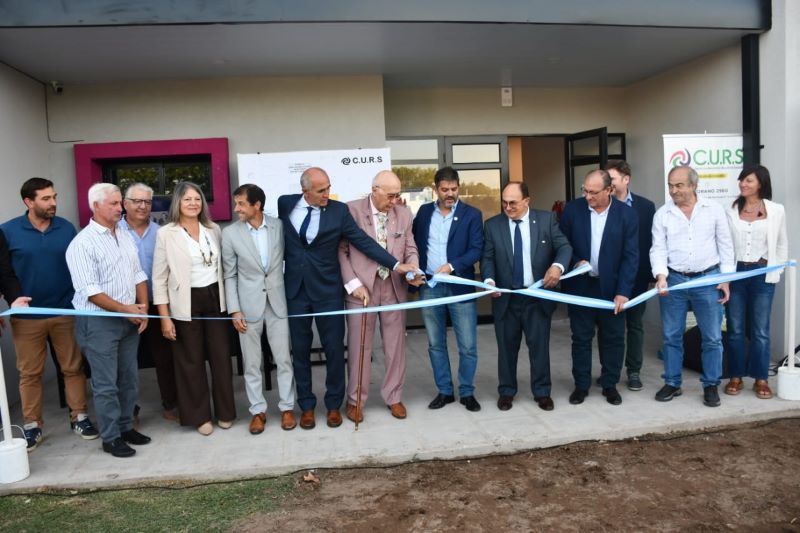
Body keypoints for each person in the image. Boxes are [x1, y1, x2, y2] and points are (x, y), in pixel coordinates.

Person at [278, 167, 418, 430]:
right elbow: (339, 250)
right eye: (321, 190)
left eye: (329, 187)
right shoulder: (286, 204)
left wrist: (400, 266)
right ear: (304, 191)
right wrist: (353, 284)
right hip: (308, 290)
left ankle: (343, 404)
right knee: (310, 350)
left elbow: (366, 243)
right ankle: (313, 406)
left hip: (355, 289)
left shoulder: (339, 210)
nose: (327, 194)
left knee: (344, 350)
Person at [2, 178, 98, 452]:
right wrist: (8, 304)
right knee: (29, 373)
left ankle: (79, 417)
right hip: (27, 316)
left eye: (53, 197)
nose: (53, 203)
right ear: (28, 202)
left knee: (72, 367)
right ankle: (32, 426)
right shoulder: (8, 231)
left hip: (65, 311)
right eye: (45, 198)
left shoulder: (66, 228)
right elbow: (3, 272)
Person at [66, 183, 151, 457]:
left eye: (119, 203)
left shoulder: (124, 235)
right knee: (105, 385)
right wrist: (126, 310)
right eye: (114, 203)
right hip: (99, 323)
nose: (120, 208)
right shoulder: (82, 243)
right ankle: (111, 437)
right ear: (96, 206)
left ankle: (126, 427)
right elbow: (90, 292)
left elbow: (138, 274)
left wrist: (143, 309)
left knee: (129, 379)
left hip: (128, 319)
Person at [152, 181, 236, 435]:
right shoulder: (166, 233)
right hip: (184, 303)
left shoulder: (213, 229)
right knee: (191, 361)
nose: (193, 203)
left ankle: (225, 412)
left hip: (215, 299)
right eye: (187, 199)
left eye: (197, 199)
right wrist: (165, 319)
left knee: (221, 358)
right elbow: (159, 279)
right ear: (177, 202)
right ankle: (200, 417)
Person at [339, 171, 422, 423]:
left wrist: (413, 271)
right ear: (374, 190)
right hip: (362, 289)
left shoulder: (404, 214)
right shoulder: (351, 211)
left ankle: (394, 397)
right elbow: (341, 251)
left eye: (399, 195)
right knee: (359, 347)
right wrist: (353, 284)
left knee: (395, 348)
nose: (395, 201)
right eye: (391, 195)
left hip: (394, 287)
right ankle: (355, 400)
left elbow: (410, 248)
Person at [481, 182, 572, 411]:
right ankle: (506, 392)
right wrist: (489, 281)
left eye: (513, 203)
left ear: (527, 201)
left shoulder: (546, 220)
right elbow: (488, 258)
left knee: (539, 348)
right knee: (506, 349)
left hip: (536, 298)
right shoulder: (493, 225)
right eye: (504, 202)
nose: (507, 207)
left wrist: (557, 267)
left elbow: (564, 247)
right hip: (506, 299)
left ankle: (542, 392)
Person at [650, 165, 734, 407]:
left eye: (679, 185)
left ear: (694, 185)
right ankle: (673, 383)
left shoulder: (714, 210)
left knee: (712, 337)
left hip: (708, 280)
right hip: (674, 281)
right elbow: (658, 248)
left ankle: (711, 385)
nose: (673, 191)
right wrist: (661, 275)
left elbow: (726, 246)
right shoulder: (662, 214)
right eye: (670, 185)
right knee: (671, 336)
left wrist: (726, 279)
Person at [559, 169, 639, 406]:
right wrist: (575, 261)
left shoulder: (626, 215)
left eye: (593, 192)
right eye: (585, 190)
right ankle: (581, 386)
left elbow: (630, 256)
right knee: (581, 338)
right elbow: (562, 243)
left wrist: (623, 291)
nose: (587, 196)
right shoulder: (573, 210)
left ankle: (610, 384)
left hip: (612, 289)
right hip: (581, 287)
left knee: (613, 338)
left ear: (609, 190)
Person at [222, 184, 297, 434]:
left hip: (278, 304)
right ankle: (258, 411)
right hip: (247, 307)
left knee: (284, 359)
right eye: (236, 203)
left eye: (241, 203)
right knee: (251, 364)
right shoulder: (230, 234)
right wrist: (234, 310)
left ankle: (287, 408)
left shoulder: (278, 227)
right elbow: (229, 275)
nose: (236, 208)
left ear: (257, 205)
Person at [412, 166, 484, 412]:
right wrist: (413, 271)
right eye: (444, 190)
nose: (449, 194)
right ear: (436, 189)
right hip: (430, 287)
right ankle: (444, 391)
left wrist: (452, 266)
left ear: (459, 188)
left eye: (454, 189)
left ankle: (467, 392)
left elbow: (476, 249)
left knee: (468, 345)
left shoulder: (472, 214)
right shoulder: (422, 213)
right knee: (435, 344)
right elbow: (413, 245)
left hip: (460, 287)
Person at [724, 165, 788, 399]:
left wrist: (775, 270)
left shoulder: (776, 210)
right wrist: (725, 276)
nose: (743, 184)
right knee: (735, 328)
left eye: (748, 181)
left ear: (761, 183)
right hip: (736, 273)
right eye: (741, 180)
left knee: (760, 329)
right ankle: (736, 376)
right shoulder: (730, 209)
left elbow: (781, 244)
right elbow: (724, 243)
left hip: (762, 273)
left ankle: (761, 378)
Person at [119, 183, 178, 422]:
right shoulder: (115, 232)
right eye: (137, 201)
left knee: (165, 357)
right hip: (125, 306)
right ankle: (129, 411)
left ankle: (171, 405)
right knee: (125, 361)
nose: (143, 206)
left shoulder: (161, 233)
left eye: (147, 202)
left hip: (158, 304)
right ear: (125, 204)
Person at [605, 160, 656, 392]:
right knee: (608, 328)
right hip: (607, 279)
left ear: (626, 179)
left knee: (634, 325)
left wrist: (652, 274)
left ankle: (633, 371)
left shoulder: (645, 207)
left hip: (636, 277)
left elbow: (650, 243)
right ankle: (609, 372)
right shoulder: (600, 205)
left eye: (612, 179)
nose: (608, 184)